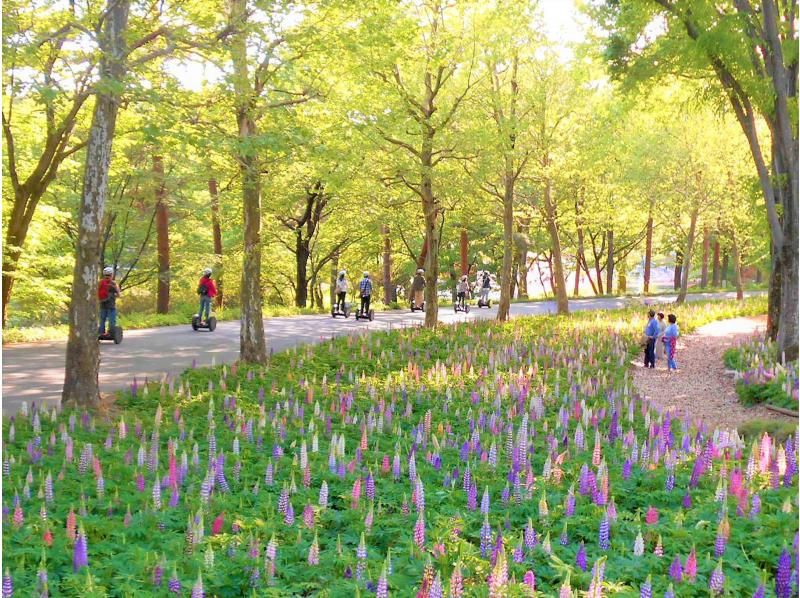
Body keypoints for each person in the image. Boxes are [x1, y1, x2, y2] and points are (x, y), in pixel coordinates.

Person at [98, 266, 121, 335]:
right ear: (112, 274)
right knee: (111, 321)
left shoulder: (100, 282)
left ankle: (101, 333)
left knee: (102, 320)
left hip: (102, 304)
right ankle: (110, 333)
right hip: (111, 306)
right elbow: (119, 295)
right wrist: (114, 294)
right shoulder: (113, 283)